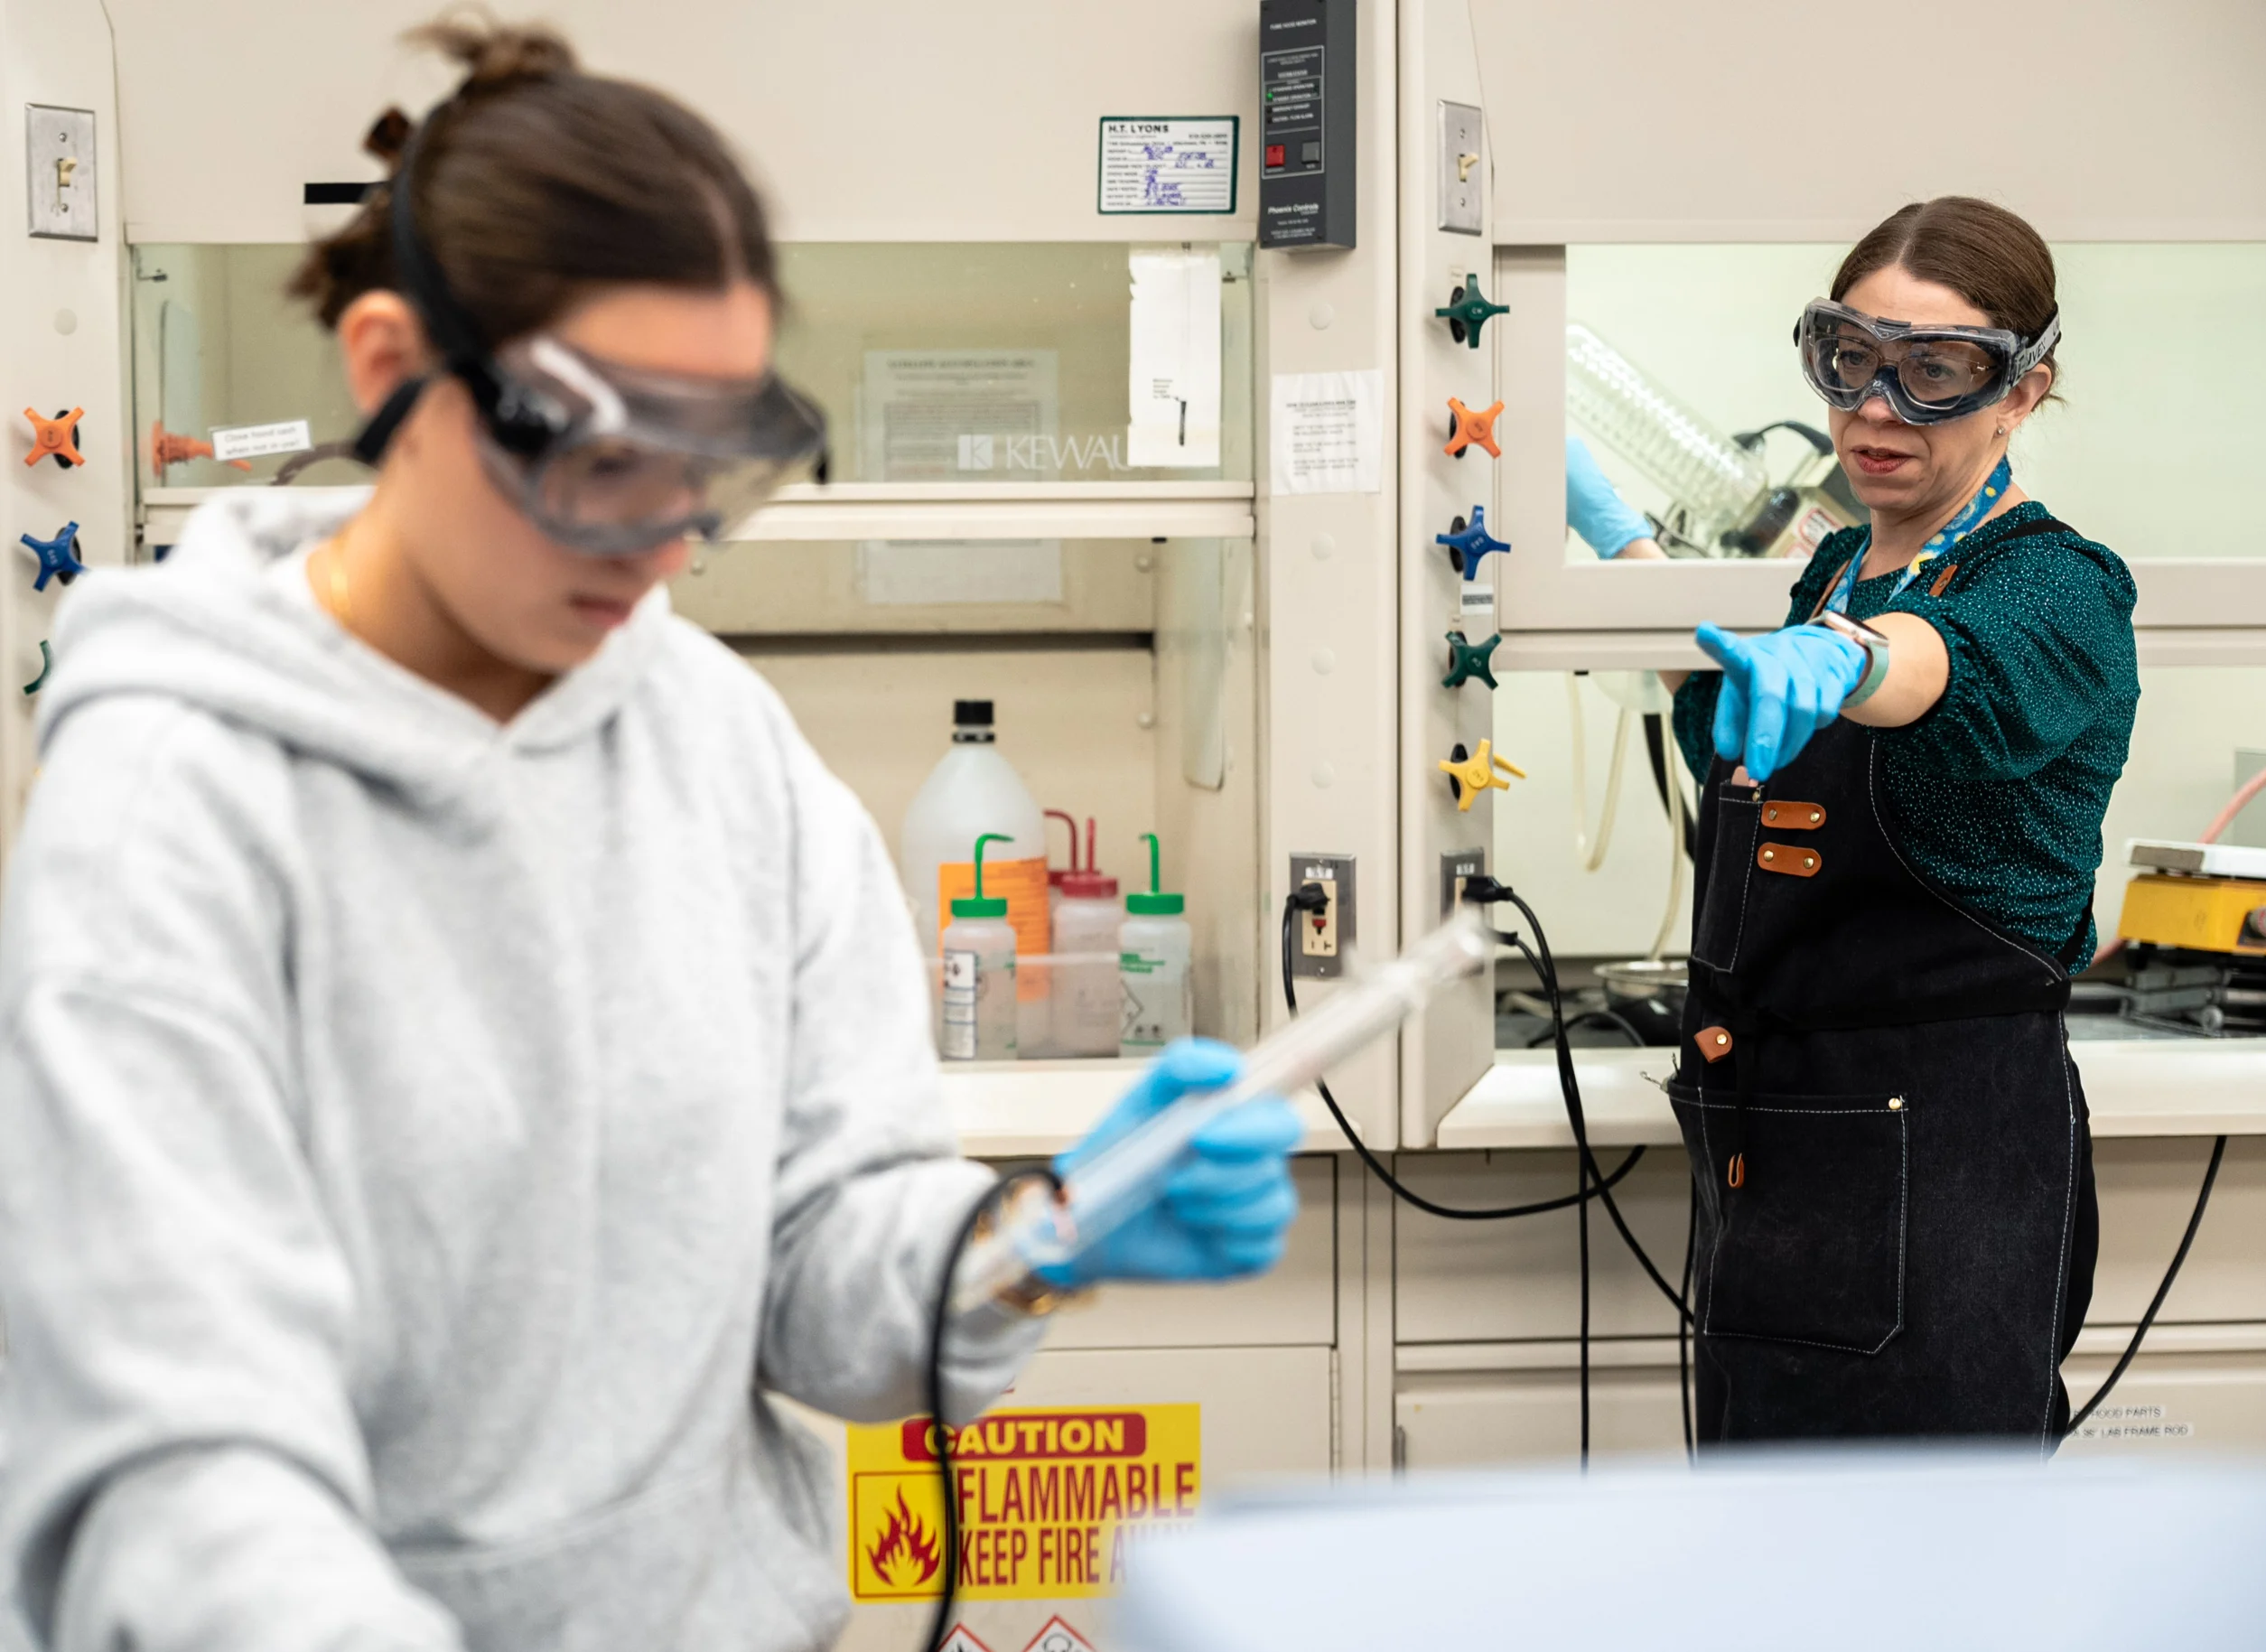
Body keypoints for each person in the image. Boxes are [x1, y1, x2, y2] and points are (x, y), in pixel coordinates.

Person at [0, 23, 1301, 1652]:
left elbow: (818, 1261)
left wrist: (1032, 1237)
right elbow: (181, 1479)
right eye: (604, 457)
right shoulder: (174, 813)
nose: (661, 546)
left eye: (705, 473)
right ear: (395, 370)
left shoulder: (720, 745)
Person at [1590, 198, 2138, 1441]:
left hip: (1936, 1184)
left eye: (1936, 372)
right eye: (1851, 360)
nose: (1876, 408)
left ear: (2024, 392)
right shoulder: (1840, 568)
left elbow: (1938, 666)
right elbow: (1754, 732)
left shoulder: (2054, 583)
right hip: (1777, 1167)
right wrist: (1622, 547)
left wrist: (1853, 661)